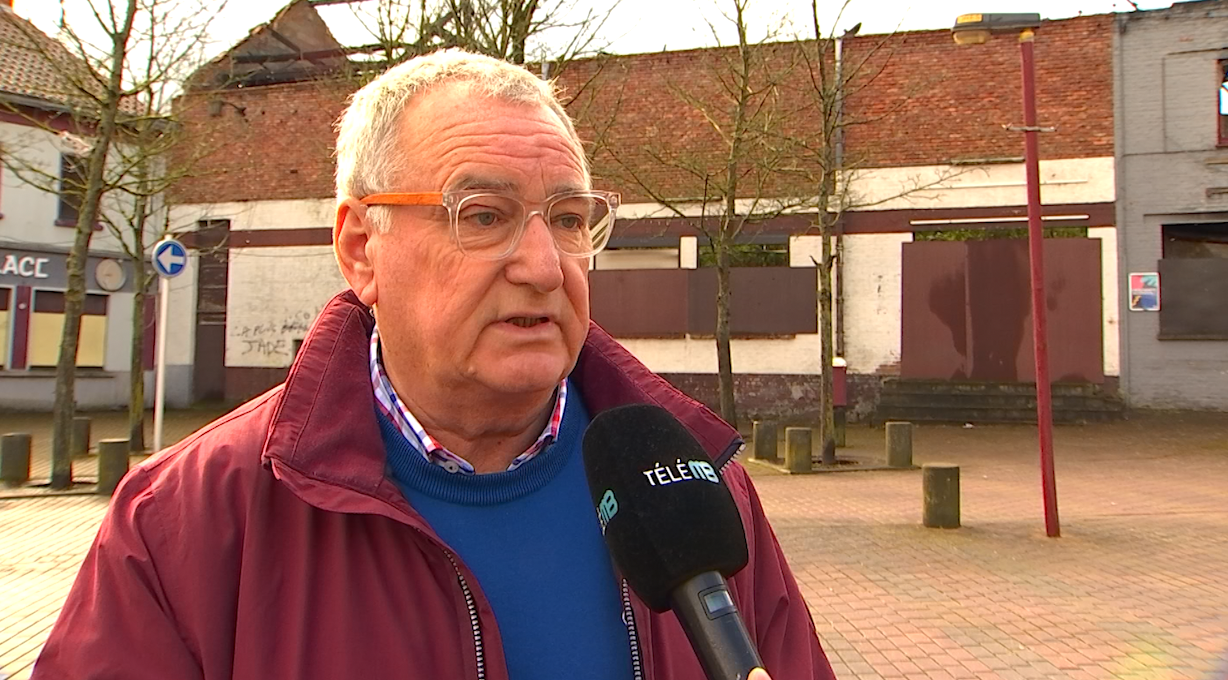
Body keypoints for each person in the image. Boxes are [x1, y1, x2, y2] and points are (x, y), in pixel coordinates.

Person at [32, 50, 836, 680]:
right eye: (482, 216)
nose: (544, 265)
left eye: (567, 218)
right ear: (360, 248)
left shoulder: (695, 483)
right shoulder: (187, 520)